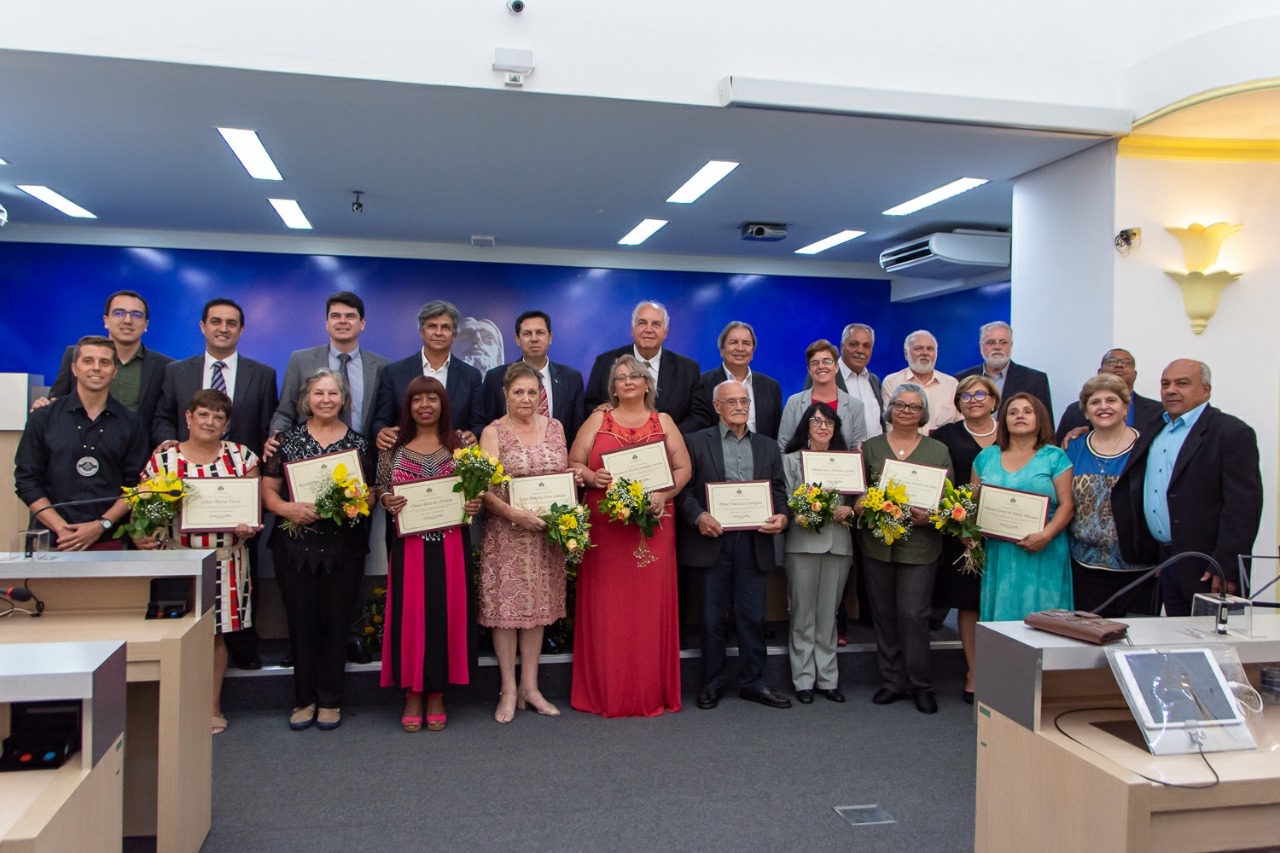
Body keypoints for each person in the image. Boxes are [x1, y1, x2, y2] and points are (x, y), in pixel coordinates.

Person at [152, 297, 278, 670]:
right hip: (187, 487)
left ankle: (243, 645)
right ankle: (183, 647)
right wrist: (168, 444)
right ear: (202, 326)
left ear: (241, 330)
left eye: (232, 323)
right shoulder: (176, 371)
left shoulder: (263, 373)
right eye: (216, 322)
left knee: (244, 567)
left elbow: (268, 427)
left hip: (240, 487)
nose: (224, 328)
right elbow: (162, 417)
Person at [568, 354, 690, 717]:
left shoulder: (663, 421)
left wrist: (664, 495)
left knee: (649, 610)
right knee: (609, 609)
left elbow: (684, 468)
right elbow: (573, 463)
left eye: (635, 375)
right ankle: (608, 690)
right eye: (621, 377)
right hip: (605, 531)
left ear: (648, 383)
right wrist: (592, 478)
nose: (628, 381)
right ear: (613, 387)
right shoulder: (597, 420)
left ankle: (650, 689)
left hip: (654, 526)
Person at [132, 390, 261, 734]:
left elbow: (251, 507)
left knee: (216, 635)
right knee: (175, 634)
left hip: (225, 559)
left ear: (227, 424)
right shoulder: (164, 461)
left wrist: (248, 526)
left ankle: (212, 705)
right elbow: (145, 512)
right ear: (188, 418)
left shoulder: (243, 458)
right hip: (176, 559)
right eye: (203, 415)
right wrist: (143, 532)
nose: (210, 422)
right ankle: (174, 705)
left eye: (218, 417)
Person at [260, 369, 371, 732]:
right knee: (301, 623)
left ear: (343, 399)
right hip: (295, 549)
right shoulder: (285, 441)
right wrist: (287, 509)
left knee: (338, 623)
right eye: (319, 393)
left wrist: (356, 502)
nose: (326, 399)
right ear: (307, 398)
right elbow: (268, 492)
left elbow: (369, 494)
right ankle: (303, 699)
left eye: (333, 393)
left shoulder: (359, 444)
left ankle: (330, 700)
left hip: (344, 549)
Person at [1111, 359, 1263, 616]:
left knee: (1215, 649)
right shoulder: (1155, 428)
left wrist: (1226, 565)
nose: (1171, 390)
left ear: (1206, 390)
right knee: (1176, 647)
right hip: (1164, 562)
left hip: (1209, 569)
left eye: (1182, 384)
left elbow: (1243, 507)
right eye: (1165, 384)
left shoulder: (1231, 432)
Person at [678, 379, 791, 711]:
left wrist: (782, 517)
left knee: (752, 616)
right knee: (711, 618)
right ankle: (712, 683)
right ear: (717, 407)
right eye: (732, 402)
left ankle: (754, 682)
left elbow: (779, 492)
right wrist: (698, 517)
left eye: (744, 401)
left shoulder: (769, 446)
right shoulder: (695, 443)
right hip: (711, 541)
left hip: (753, 542)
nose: (740, 406)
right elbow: (682, 492)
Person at [376, 377, 482, 732]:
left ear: (443, 404)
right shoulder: (393, 447)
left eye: (432, 398)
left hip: (451, 544)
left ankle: (436, 692)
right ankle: (412, 692)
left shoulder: (461, 446)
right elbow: (379, 488)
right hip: (409, 546)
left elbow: (475, 490)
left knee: (445, 614)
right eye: (417, 399)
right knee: (411, 617)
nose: (425, 405)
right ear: (407, 406)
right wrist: (385, 500)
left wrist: (474, 502)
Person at [478, 363, 573, 723]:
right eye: (518, 392)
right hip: (508, 535)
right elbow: (484, 492)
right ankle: (508, 689)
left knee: (537, 611)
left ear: (541, 395)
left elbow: (561, 476)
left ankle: (531, 688)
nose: (526, 398)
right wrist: (517, 516)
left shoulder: (556, 427)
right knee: (506, 613)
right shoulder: (493, 433)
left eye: (533, 392)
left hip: (546, 537)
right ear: (505, 394)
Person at [855, 384, 952, 714]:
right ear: (890, 409)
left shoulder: (937, 450)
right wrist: (867, 505)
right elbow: (858, 495)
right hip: (877, 545)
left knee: (913, 614)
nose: (906, 411)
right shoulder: (871, 448)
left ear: (923, 413)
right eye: (900, 405)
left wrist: (931, 517)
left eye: (913, 407)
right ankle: (893, 681)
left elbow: (948, 504)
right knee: (883, 615)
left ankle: (920, 683)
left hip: (920, 546)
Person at [15, 336, 148, 550]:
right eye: (88, 361)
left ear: (114, 371)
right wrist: (61, 528)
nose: (96, 368)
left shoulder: (132, 423)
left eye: (104, 362)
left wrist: (100, 525)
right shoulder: (43, 418)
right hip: (50, 540)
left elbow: (135, 486)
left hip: (108, 541)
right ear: (74, 369)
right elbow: (26, 481)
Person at [971, 392, 1074, 622]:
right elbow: (972, 504)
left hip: (1043, 550)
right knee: (1002, 620)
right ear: (1004, 420)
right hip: (1000, 552)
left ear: (1040, 419)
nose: (1020, 416)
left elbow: (1067, 506)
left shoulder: (1054, 457)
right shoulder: (985, 457)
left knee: (1044, 622)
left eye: (1028, 411)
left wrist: (1045, 536)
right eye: (1013, 412)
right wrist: (968, 532)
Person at [929, 375, 999, 703]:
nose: (973, 400)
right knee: (969, 602)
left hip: (1007, 532)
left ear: (994, 401)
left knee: (999, 600)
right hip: (962, 532)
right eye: (965, 395)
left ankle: (1004, 670)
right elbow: (936, 481)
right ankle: (974, 672)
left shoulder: (1013, 432)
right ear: (958, 402)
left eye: (980, 394)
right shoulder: (944, 436)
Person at [1064, 374, 1156, 616]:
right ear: (1086, 412)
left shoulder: (1148, 448)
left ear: (1125, 408)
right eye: (1095, 402)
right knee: (1089, 639)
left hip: (1138, 569)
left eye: (1111, 400)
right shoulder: (1072, 448)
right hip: (1084, 567)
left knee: (1136, 640)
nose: (1103, 407)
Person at [780, 401, 853, 703]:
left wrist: (850, 507)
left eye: (829, 423)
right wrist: (801, 509)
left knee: (828, 614)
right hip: (803, 544)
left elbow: (859, 499)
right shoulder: (790, 461)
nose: (823, 427)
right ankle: (803, 680)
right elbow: (784, 498)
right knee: (802, 613)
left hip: (838, 545)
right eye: (816, 421)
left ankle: (828, 678)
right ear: (806, 426)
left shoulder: (848, 461)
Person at [35, 290, 173, 428]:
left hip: (137, 446)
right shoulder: (76, 355)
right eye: (119, 313)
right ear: (106, 321)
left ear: (146, 325)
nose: (127, 320)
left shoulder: (165, 366)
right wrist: (45, 405)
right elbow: (58, 399)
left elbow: (164, 417)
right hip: (81, 444)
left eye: (136, 315)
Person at [270, 291, 390, 439]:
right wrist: (276, 437)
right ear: (327, 323)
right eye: (335, 316)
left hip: (365, 455)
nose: (342, 321)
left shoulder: (382, 366)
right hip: (311, 455)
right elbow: (285, 412)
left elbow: (386, 418)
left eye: (350, 316)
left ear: (362, 323)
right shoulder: (300, 360)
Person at [371, 300, 486, 451]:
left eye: (445, 327)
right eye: (432, 326)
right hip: (407, 459)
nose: (438, 333)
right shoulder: (394, 372)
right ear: (421, 332)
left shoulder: (471, 376)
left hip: (455, 459)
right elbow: (381, 420)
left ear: (454, 335)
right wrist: (380, 431)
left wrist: (474, 434)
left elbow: (478, 424)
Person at [583, 300, 713, 434]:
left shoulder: (687, 369)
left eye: (656, 324)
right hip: (618, 446)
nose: (648, 329)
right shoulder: (605, 363)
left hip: (670, 449)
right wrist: (599, 411)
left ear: (666, 331)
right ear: (632, 329)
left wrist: (666, 436)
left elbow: (700, 417)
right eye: (642, 323)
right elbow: (588, 407)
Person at [481, 310, 586, 447]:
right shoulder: (495, 377)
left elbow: (577, 430)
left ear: (550, 337)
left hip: (560, 463)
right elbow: (487, 423)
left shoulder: (571, 378)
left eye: (540, 332)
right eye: (527, 333)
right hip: (510, 463)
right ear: (517, 339)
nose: (534, 338)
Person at [1055, 348, 1164, 443]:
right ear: (1100, 372)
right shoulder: (1075, 411)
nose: (1119, 365)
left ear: (1135, 375)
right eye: (1111, 361)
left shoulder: (1157, 411)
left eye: (1126, 362)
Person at [777, 339, 869, 453]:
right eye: (815, 363)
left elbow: (857, 452)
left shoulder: (855, 406)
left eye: (827, 361)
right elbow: (783, 448)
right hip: (798, 470)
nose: (821, 366)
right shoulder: (794, 403)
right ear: (809, 370)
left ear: (836, 367)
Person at [699, 320, 783, 440]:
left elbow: (776, 434)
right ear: (722, 350)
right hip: (717, 456)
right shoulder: (703, 383)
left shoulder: (771, 387)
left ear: (752, 351)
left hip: (761, 457)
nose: (740, 348)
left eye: (746, 343)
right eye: (734, 342)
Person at [956, 321, 1053, 416]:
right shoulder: (960, 379)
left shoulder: (1035, 380)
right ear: (981, 346)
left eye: (1003, 342)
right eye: (991, 342)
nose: (997, 347)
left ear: (1011, 346)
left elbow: (1046, 425)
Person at [806, 323, 883, 440]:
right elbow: (808, 417)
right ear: (842, 346)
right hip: (837, 455)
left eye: (866, 346)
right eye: (854, 344)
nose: (860, 350)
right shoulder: (823, 375)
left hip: (875, 455)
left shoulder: (874, 380)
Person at [880, 330, 959, 433]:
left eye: (930, 349)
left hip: (945, 447)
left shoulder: (951, 384)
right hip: (903, 447)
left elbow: (960, 424)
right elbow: (889, 424)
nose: (925, 353)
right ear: (906, 354)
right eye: (918, 348)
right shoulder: (892, 382)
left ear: (936, 353)